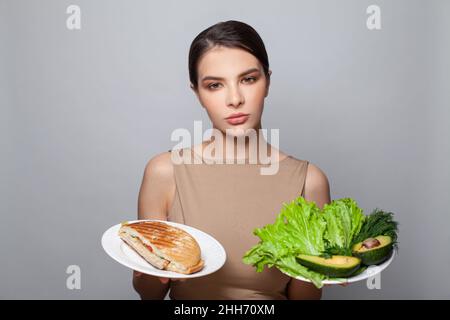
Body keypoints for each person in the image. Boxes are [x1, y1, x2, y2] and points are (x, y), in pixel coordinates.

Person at [132, 20, 331, 300]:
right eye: (215, 85)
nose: (235, 99)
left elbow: (306, 299)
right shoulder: (165, 172)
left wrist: (321, 268)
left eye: (248, 79)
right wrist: (149, 271)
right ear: (198, 93)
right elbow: (150, 294)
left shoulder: (310, 181)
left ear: (268, 81)